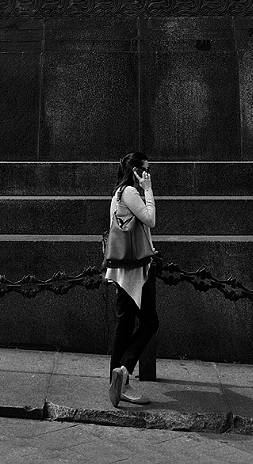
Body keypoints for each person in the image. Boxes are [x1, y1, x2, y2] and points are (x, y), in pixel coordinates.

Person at [106, 152, 158, 408]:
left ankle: (117, 380)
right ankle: (123, 372)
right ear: (136, 171)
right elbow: (150, 219)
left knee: (124, 324)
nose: (148, 175)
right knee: (149, 321)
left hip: (123, 266)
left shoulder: (117, 193)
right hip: (135, 268)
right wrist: (148, 190)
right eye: (145, 171)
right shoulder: (131, 193)